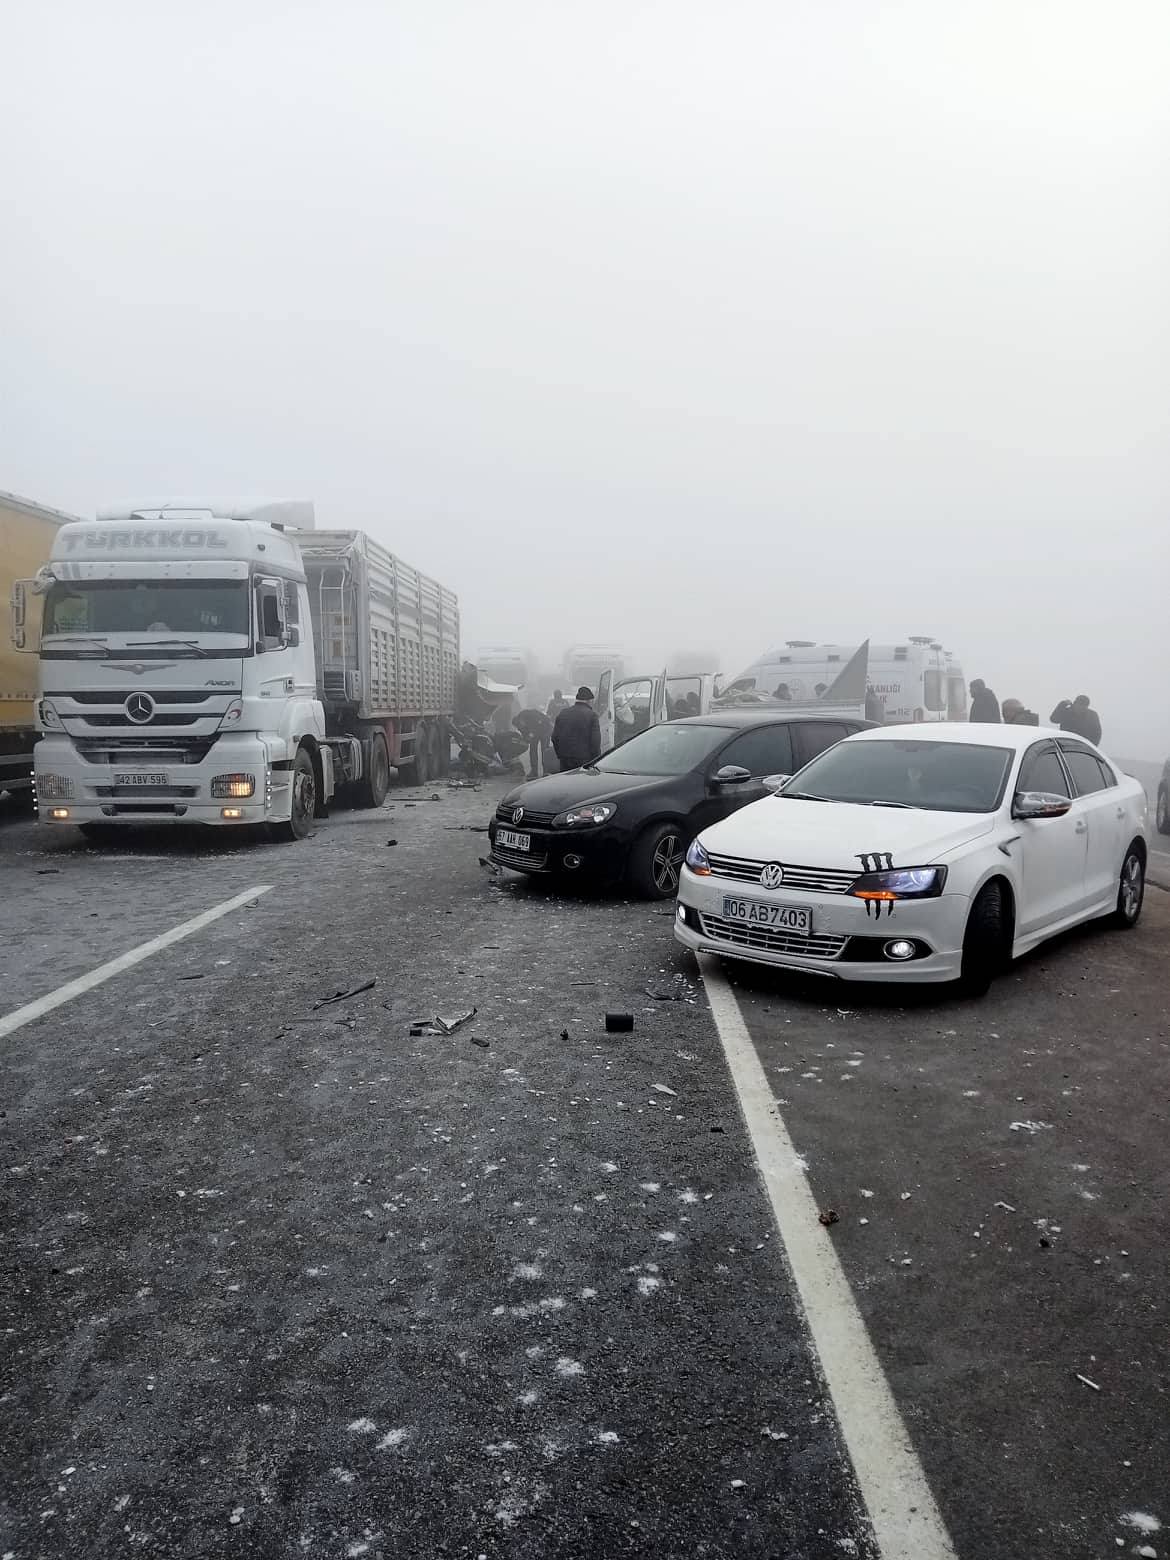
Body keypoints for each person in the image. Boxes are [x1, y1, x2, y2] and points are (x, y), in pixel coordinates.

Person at [552, 686, 602, 771]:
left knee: (567, 783)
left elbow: (554, 737)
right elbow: (595, 742)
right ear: (589, 701)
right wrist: (596, 761)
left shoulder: (563, 713)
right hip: (584, 761)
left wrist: (560, 755)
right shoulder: (592, 715)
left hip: (565, 760)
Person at [513, 706, 553, 778]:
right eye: (518, 727)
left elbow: (538, 724)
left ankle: (546, 771)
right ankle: (534, 771)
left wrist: (531, 734)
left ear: (521, 720)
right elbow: (525, 736)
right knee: (532, 751)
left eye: (520, 725)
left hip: (545, 728)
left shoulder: (528, 714)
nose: (520, 728)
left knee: (544, 751)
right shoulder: (521, 726)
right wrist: (525, 740)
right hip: (535, 732)